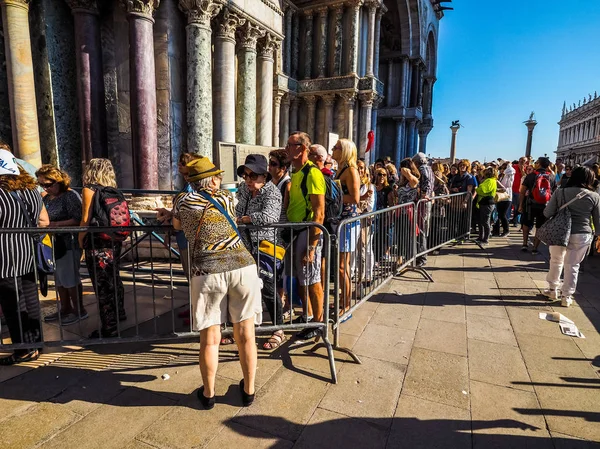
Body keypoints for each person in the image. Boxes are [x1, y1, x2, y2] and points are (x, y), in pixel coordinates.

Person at [172, 155, 261, 409]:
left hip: (208, 269)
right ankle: (248, 391)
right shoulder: (225, 197)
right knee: (246, 335)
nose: (220, 179)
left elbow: (177, 225)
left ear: (191, 180)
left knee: (210, 338)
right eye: (217, 176)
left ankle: (208, 394)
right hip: (242, 266)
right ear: (212, 180)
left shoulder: (182, 200)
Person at [0, 146, 49, 365]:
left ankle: (22, 349)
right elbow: (44, 222)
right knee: (31, 299)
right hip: (27, 252)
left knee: (13, 304)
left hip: (4, 257)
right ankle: (36, 345)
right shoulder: (31, 191)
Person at [235, 154, 285, 350]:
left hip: (267, 246)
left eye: (253, 175)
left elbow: (268, 216)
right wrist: (241, 218)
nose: (248, 180)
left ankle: (278, 329)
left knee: (269, 289)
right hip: (246, 245)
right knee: (243, 287)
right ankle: (241, 328)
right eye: (246, 175)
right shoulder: (245, 191)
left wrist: (244, 220)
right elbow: (237, 211)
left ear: (264, 176)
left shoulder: (272, 192)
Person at [78, 158, 126, 338]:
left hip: (97, 242)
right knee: (113, 276)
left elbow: (85, 219)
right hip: (114, 241)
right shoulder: (114, 190)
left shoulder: (89, 190)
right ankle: (119, 313)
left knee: (101, 285)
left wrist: (80, 239)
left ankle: (109, 327)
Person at [285, 132, 326, 342]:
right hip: (296, 232)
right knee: (303, 279)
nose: (286, 148)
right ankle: (308, 315)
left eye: (290, 145)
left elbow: (319, 212)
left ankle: (319, 323)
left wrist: (312, 246)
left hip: (308, 233)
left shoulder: (313, 173)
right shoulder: (297, 172)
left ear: (301, 148)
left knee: (313, 280)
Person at [36, 164, 86, 325]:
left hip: (68, 243)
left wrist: (55, 225)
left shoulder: (70, 196)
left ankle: (79, 310)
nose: (45, 188)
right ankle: (65, 309)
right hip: (53, 245)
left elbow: (78, 219)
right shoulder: (46, 198)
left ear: (58, 181)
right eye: (41, 184)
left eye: (48, 184)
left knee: (70, 278)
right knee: (59, 279)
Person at [543, 166, 600, 307]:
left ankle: (552, 289)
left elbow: (547, 212)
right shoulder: (594, 196)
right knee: (573, 265)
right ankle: (566, 296)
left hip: (559, 231)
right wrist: (598, 235)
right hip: (582, 234)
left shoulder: (560, 192)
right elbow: (597, 220)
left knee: (556, 261)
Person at [156, 152, 203, 279]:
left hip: (190, 240)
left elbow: (184, 216)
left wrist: (172, 220)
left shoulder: (194, 189)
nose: (179, 166)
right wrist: (170, 214)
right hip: (185, 239)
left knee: (194, 277)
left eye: (183, 163)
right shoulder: (189, 186)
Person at [332, 139, 360, 315]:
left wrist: (334, 198)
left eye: (336, 148)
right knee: (341, 265)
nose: (332, 150)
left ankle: (347, 303)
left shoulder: (351, 170)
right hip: (341, 221)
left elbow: (355, 198)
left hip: (348, 222)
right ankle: (342, 299)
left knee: (343, 266)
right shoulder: (340, 169)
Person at [519, 157, 555, 254]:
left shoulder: (531, 176)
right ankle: (535, 248)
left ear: (539, 164)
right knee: (540, 226)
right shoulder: (551, 177)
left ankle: (525, 244)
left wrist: (520, 205)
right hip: (544, 205)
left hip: (530, 204)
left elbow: (522, 191)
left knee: (526, 224)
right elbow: (554, 193)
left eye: (536, 162)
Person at [356, 158, 375, 285]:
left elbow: (369, 206)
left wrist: (359, 203)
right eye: (357, 167)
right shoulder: (352, 184)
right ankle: (354, 274)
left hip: (364, 221)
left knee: (365, 249)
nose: (359, 170)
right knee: (352, 251)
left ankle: (365, 276)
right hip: (352, 221)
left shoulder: (369, 186)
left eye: (361, 167)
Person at [412, 152, 434, 267]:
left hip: (422, 203)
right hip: (426, 202)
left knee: (421, 230)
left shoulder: (422, 169)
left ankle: (421, 258)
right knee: (422, 230)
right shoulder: (429, 169)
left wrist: (423, 195)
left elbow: (426, 184)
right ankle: (421, 256)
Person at [475, 167, 498, 245]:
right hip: (484, 202)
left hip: (487, 203)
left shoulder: (490, 181)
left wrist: (478, 189)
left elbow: (482, 190)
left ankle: (485, 239)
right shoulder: (489, 180)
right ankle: (481, 237)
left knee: (485, 221)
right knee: (481, 221)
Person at [492, 162, 513, 237]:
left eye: (504, 168)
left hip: (506, 197)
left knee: (502, 215)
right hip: (499, 197)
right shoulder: (499, 176)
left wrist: (508, 165)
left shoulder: (509, 175)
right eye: (501, 168)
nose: (502, 170)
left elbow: (508, 185)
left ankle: (506, 230)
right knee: (497, 214)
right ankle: (496, 231)